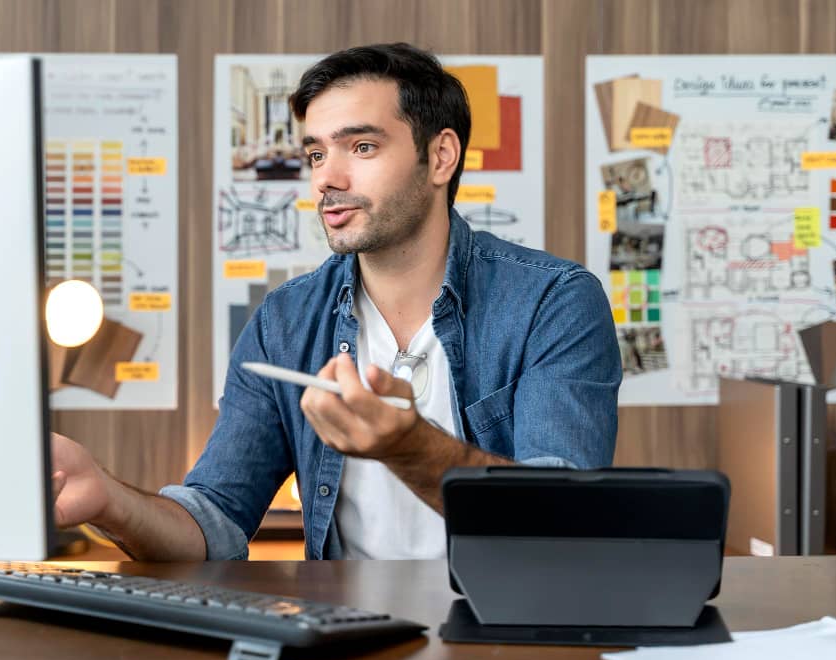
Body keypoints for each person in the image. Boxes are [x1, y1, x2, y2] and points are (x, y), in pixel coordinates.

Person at [51, 43, 621, 561]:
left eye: (362, 146)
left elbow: (563, 523)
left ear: (441, 156)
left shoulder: (554, 301)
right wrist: (108, 500)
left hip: (504, 631)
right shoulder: (285, 321)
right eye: (317, 154)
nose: (327, 178)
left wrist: (410, 446)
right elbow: (214, 524)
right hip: (354, 635)